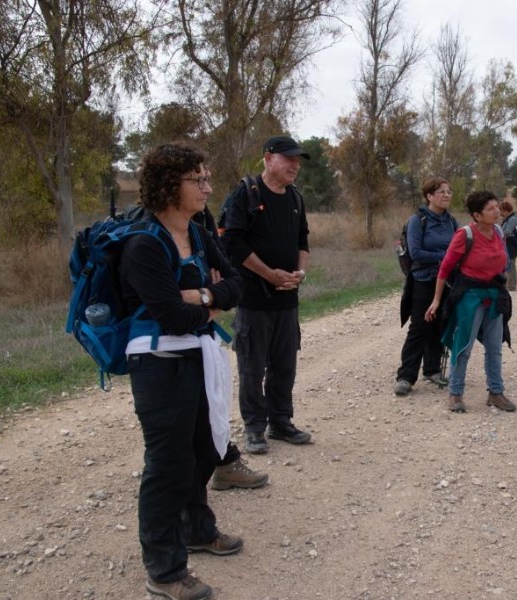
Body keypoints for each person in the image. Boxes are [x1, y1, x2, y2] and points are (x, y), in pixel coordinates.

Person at [120, 142, 244, 600]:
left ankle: (197, 529)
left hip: (199, 353)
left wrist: (204, 298)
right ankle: (165, 571)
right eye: (199, 179)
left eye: (207, 178)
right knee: (168, 465)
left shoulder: (200, 233)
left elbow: (236, 287)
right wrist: (207, 304)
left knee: (205, 448)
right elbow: (170, 318)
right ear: (171, 185)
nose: (208, 187)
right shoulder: (142, 243)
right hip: (158, 362)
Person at [222, 135, 312, 454]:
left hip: (287, 299)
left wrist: (299, 273)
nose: (295, 165)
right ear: (268, 158)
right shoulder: (246, 193)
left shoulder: (296, 199)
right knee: (252, 366)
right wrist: (269, 274)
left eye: (298, 160)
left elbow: (303, 241)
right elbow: (232, 243)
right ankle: (255, 428)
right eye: (288, 158)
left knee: (284, 364)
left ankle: (281, 422)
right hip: (254, 299)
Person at [425, 190, 515, 413]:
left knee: (494, 348)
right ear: (477, 215)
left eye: (497, 207)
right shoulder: (465, 235)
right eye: (491, 209)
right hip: (469, 298)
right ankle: (455, 394)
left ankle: (496, 392)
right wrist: (436, 300)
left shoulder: (498, 232)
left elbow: (504, 263)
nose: (497, 211)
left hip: (494, 296)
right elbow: (445, 268)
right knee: (463, 347)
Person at [394, 178, 459, 396]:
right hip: (423, 280)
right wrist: (445, 258)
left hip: (447, 281)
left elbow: (460, 250)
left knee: (440, 325)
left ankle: (432, 370)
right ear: (429, 196)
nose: (447, 195)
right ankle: (406, 376)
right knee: (420, 326)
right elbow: (415, 253)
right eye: (441, 192)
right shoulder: (418, 220)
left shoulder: (451, 222)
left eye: (449, 192)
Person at [498, 200, 517, 291]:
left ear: (505, 210)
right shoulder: (506, 219)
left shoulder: (512, 219)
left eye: (501, 210)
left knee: (511, 265)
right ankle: (507, 285)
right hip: (506, 244)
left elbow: (508, 232)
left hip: (511, 244)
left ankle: (512, 286)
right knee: (506, 265)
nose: (499, 212)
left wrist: (497, 235)